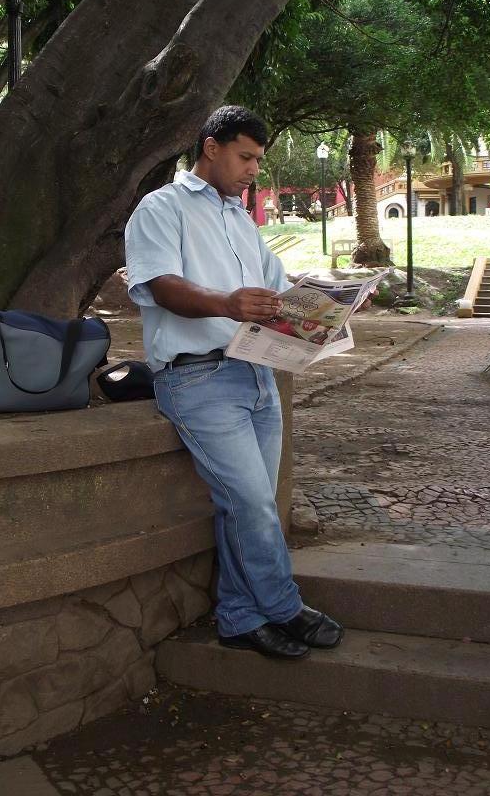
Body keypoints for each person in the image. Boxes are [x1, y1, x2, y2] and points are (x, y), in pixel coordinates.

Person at [125, 105, 343, 660]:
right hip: (196, 378)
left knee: (247, 505)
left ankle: (240, 617)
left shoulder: (241, 220)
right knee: (251, 502)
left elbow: (278, 292)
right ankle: (284, 606)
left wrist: (328, 309)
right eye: (246, 157)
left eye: (259, 160)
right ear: (211, 147)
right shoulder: (161, 207)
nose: (253, 170)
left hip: (257, 374)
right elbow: (159, 285)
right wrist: (227, 303)